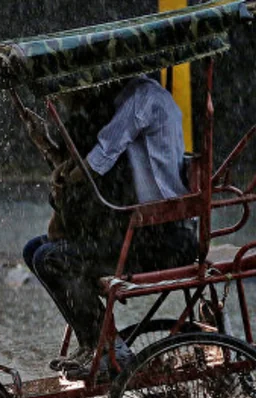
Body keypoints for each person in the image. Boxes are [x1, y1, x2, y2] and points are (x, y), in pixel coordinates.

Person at [22, 75, 198, 380]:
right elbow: (82, 164)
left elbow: (98, 160)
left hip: (161, 237)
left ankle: (109, 349)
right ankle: (93, 341)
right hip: (141, 231)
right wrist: (52, 154)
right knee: (35, 250)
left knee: (51, 258)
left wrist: (64, 179)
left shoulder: (142, 98)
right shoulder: (116, 104)